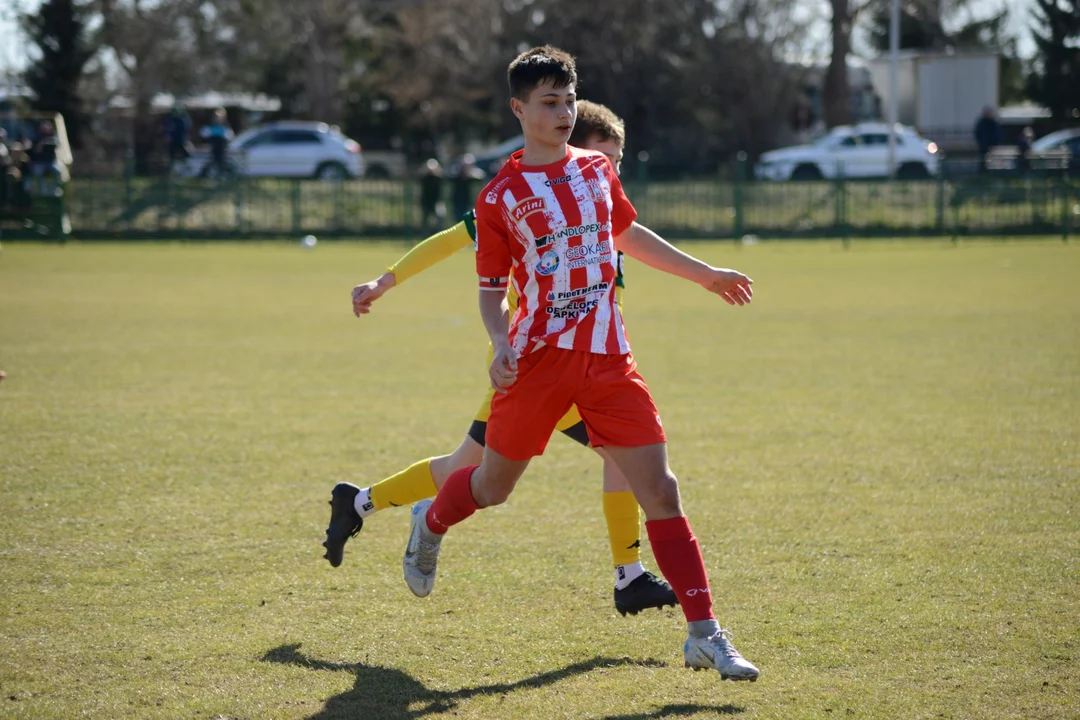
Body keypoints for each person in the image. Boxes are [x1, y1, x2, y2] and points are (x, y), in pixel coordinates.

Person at [400, 46, 759, 680]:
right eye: (549, 102)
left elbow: (627, 235)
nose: (564, 112)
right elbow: (488, 291)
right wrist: (501, 342)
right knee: (491, 487)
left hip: (611, 360)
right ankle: (429, 521)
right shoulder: (499, 196)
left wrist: (704, 275)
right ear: (519, 109)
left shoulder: (597, 169)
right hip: (537, 365)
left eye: (569, 100)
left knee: (663, 491)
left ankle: (705, 633)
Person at [324, 100, 679, 618]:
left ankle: (359, 502)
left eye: (618, 162)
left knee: (465, 469)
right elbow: (451, 240)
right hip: (532, 363)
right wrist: (384, 281)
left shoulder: (598, 195)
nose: (610, 172)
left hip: (577, 363)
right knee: (519, 470)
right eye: (605, 156)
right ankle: (627, 577)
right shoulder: (524, 194)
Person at [27, 121, 61, 196]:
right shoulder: (36, 137)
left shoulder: (53, 137)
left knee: (58, 171)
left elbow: (55, 144)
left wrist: (43, 142)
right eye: (45, 127)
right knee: (39, 172)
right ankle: (43, 191)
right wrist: (39, 145)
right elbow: (33, 151)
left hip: (50, 162)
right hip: (39, 163)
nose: (47, 129)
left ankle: (56, 189)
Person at [200, 107, 234, 178]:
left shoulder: (225, 125)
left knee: (221, 161)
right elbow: (204, 133)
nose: (219, 118)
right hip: (214, 146)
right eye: (217, 116)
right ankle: (207, 174)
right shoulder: (211, 125)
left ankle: (221, 174)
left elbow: (229, 135)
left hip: (221, 146)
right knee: (213, 160)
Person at [450, 153, 485, 219]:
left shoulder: (475, 177)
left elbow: (481, 178)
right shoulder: (456, 175)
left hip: (471, 203)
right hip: (458, 202)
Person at [418, 158, 445, 233]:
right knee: (425, 220)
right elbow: (420, 176)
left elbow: (442, 176)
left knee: (440, 216)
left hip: (437, 201)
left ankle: (440, 233)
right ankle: (424, 234)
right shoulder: (425, 178)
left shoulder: (438, 178)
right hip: (426, 201)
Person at [164, 103, 192, 173]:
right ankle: (171, 172)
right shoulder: (170, 119)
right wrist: (168, 136)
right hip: (173, 142)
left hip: (181, 141)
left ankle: (183, 169)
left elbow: (186, 130)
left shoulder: (184, 119)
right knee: (172, 157)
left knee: (186, 155)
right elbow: (168, 130)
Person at [974, 106, 1001, 173]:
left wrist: (995, 143)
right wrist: (983, 144)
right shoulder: (981, 124)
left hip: (993, 147)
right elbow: (979, 135)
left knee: (993, 163)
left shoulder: (994, 123)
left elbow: (998, 134)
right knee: (983, 162)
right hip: (983, 147)